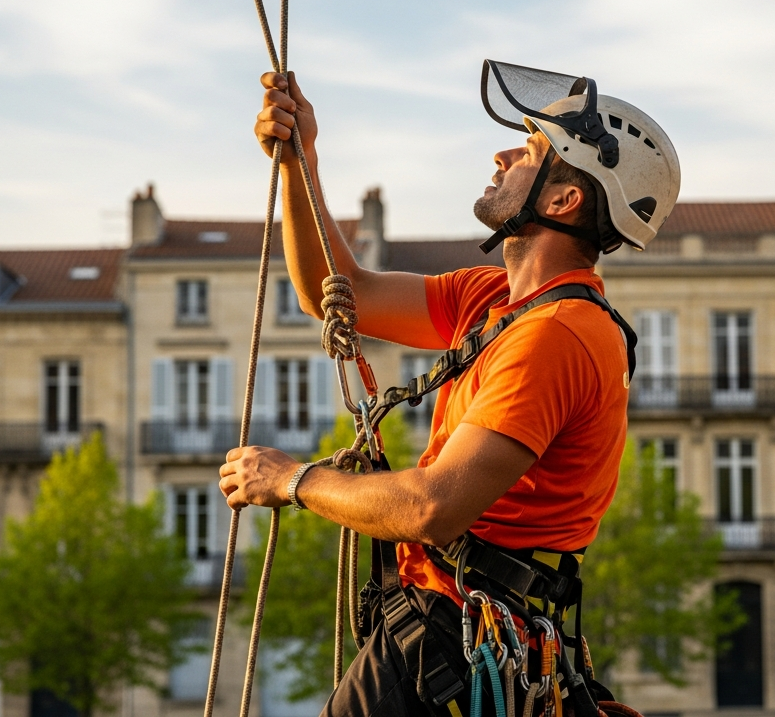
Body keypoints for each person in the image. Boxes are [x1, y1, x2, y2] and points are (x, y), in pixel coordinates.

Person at [219, 61, 680, 717]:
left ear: (563, 200)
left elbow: (434, 508)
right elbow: (336, 289)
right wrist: (301, 162)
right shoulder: (494, 300)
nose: (501, 154)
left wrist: (293, 481)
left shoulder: (559, 335)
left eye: (528, 150)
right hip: (446, 633)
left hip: (453, 641)